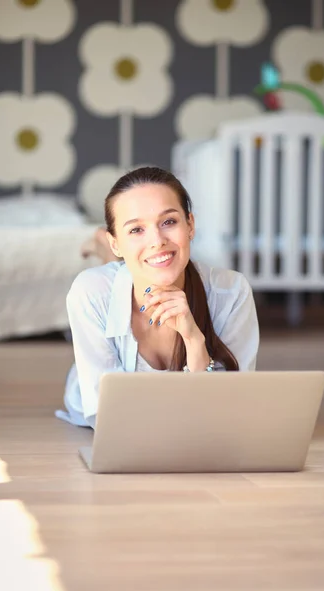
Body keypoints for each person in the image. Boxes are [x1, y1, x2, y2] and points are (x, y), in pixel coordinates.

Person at [56, 166, 259, 428]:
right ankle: (104, 249)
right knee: (118, 278)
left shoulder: (232, 292)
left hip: (157, 417)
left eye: (169, 222)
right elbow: (106, 413)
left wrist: (194, 340)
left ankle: (108, 250)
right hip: (99, 398)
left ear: (190, 225)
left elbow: (232, 406)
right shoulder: (90, 291)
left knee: (144, 263)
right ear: (116, 241)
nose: (157, 240)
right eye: (135, 230)